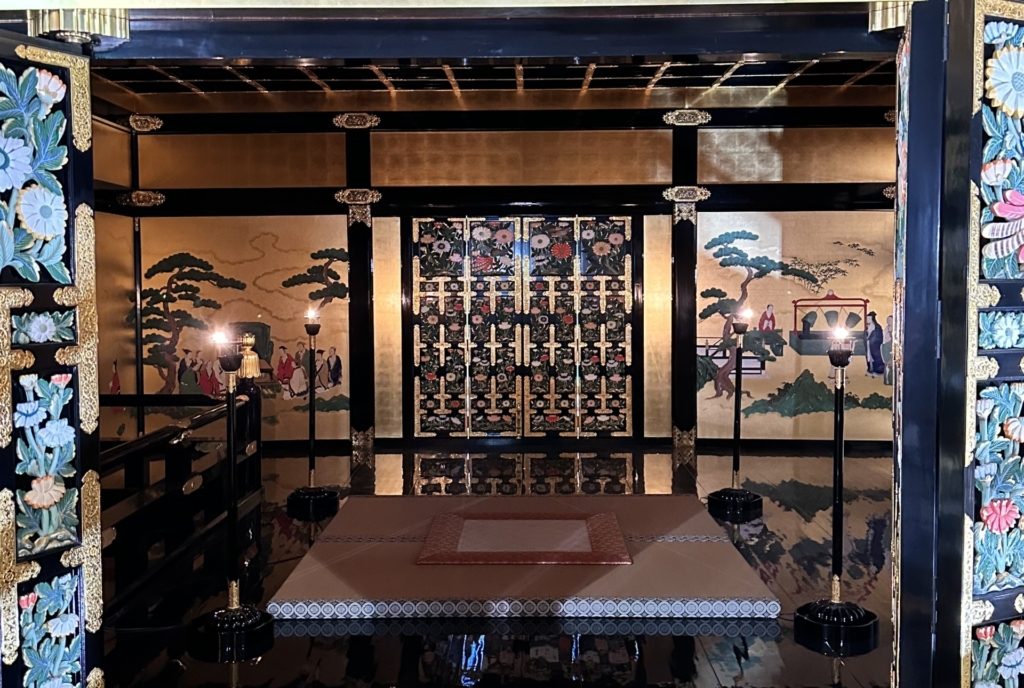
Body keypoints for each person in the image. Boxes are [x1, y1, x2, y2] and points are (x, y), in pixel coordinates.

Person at [865, 311, 885, 377]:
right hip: (869, 345)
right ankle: (870, 370)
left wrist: (871, 339)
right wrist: (867, 338)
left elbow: (878, 337)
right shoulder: (868, 327)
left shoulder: (877, 327)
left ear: (872, 319)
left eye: (869, 318)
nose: (867, 320)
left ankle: (878, 371)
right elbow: (865, 335)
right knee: (869, 357)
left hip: (875, 346)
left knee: (876, 357)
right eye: (867, 318)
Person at [882, 315, 894, 386]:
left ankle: (890, 380)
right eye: (888, 320)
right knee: (886, 364)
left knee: (891, 364)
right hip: (885, 346)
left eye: (890, 320)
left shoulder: (895, 328)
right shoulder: (886, 328)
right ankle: (886, 380)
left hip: (891, 346)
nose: (888, 321)